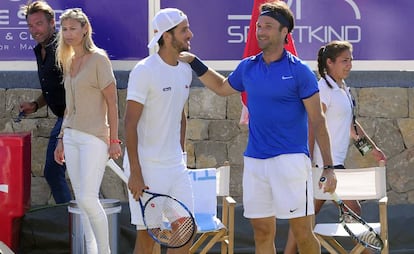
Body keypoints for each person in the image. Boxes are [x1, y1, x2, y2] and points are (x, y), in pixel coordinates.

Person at [179, 1, 337, 253]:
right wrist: (194, 61)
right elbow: (221, 87)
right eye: (258, 26)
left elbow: (318, 120)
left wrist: (328, 168)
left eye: (268, 27)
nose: (260, 31)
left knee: (303, 234)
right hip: (255, 163)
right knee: (262, 232)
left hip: (291, 162)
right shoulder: (248, 67)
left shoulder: (300, 72)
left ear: (285, 32)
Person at [284, 40, 387, 254]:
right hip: (323, 166)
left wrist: (372, 150)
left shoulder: (343, 89)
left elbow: (351, 126)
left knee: (306, 217)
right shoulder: (323, 88)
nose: (349, 65)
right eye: (344, 61)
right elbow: (314, 122)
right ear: (330, 63)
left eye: (351, 60)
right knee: (352, 211)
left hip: (332, 164)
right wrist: (309, 160)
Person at [123, 8, 194, 254]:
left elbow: (180, 114)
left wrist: (181, 154)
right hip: (147, 168)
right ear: (167, 36)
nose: (190, 35)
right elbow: (130, 123)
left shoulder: (186, 70)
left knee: (185, 233)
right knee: (147, 239)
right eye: (184, 30)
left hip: (175, 166)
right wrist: (135, 172)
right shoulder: (144, 71)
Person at [53, 8, 122, 254]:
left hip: (95, 138)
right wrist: (61, 138)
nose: (68, 33)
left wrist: (114, 139)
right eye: (65, 29)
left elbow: (113, 102)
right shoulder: (68, 60)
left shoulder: (99, 59)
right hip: (71, 137)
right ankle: (91, 251)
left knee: (88, 199)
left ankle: (104, 251)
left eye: (73, 28)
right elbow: (68, 108)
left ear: (85, 30)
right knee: (82, 201)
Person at [19, 0, 72, 204]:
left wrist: (65, 129)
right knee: (56, 171)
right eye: (31, 26)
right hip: (64, 118)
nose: (34, 30)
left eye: (39, 24)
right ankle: (71, 224)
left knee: (52, 171)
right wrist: (35, 105)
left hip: (73, 117)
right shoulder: (39, 49)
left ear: (52, 23)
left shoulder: (64, 49)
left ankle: (69, 225)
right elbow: (52, 89)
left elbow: (75, 90)